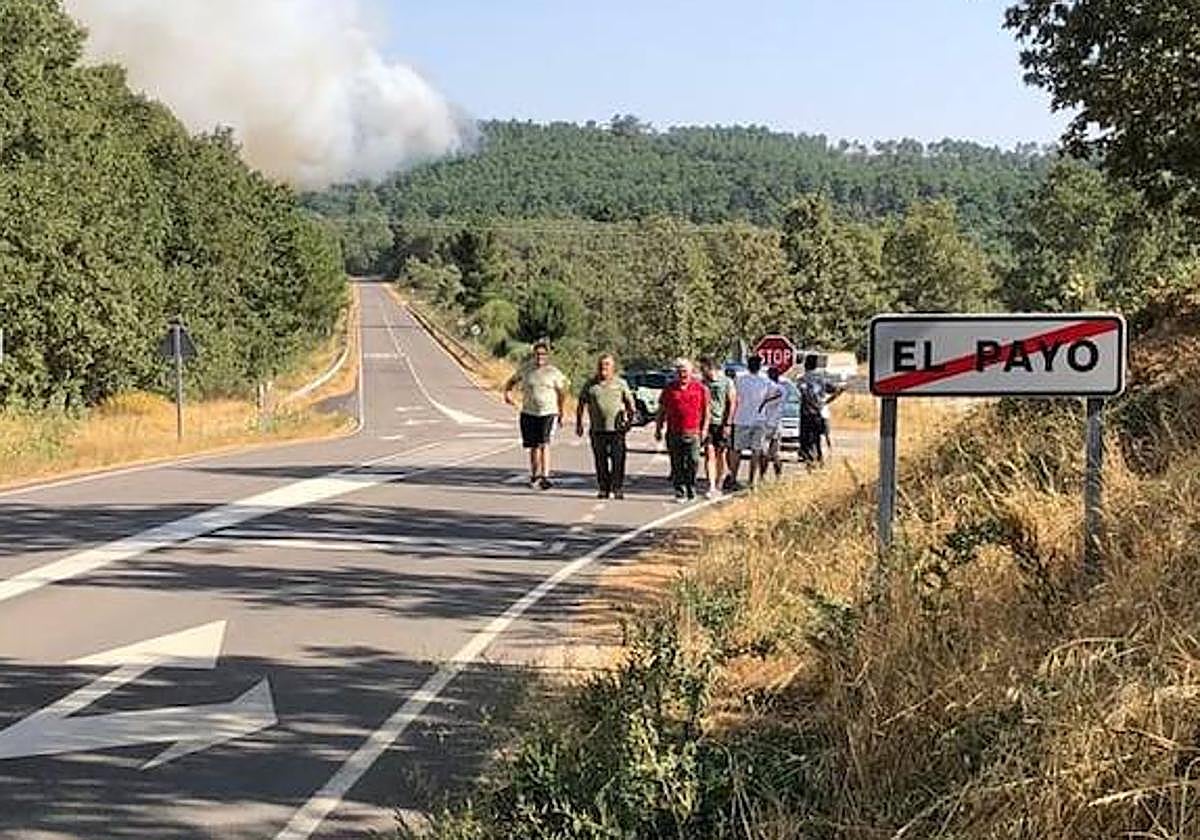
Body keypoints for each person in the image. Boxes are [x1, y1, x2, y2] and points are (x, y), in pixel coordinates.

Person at [504, 340, 568, 489]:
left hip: (548, 412)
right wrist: (507, 393)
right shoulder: (527, 369)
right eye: (537, 354)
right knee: (533, 446)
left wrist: (561, 411)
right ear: (533, 354)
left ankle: (545, 476)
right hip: (529, 411)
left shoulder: (553, 372)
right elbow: (512, 381)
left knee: (544, 443)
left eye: (543, 354)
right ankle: (534, 475)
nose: (540, 357)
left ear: (547, 356)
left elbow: (562, 392)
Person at [576, 353, 636, 499]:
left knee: (618, 460)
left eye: (607, 364)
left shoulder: (620, 384)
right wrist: (579, 423)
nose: (604, 367)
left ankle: (617, 488)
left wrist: (629, 421)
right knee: (600, 460)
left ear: (613, 367)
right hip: (598, 429)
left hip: (616, 430)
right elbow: (581, 404)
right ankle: (603, 488)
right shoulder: (591, 385)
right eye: (601, 364)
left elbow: (630, 404)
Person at [655, 357, 709, 502]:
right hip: (674, 432)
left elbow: (706, 411)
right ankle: (680, 491)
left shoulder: (700, 388)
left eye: (685, 371)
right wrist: (658, 428)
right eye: (680, 372)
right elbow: (661, 410)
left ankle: (691, 487)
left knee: (693, 461)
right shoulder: (669, 389)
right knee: (677, 463)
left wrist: (704, 429)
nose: (682, 374)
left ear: (691, 372)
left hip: (693, 432)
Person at [727, 354, 777, 490]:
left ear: (748, 366)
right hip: (758, 419)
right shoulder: (765, 381)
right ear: (760, 366)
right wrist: (765, 402)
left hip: (741, 418)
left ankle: (733, 477)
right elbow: (778, 392)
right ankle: (751, 480)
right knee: (756, 450)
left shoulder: (740, 379)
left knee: (737, 450)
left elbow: (733, 392)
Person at [699, 356, 736, 500]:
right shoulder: (703, 383)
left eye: (703, 368)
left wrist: (728, 423)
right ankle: (711, 486)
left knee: (720, 454)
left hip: (721, 423)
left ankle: (719, 484)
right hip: (707, 423)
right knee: (709, 453)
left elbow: (732, 403)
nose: (702, 371)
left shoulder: (727, 382)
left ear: (710, 368)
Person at [797, 353, 830, 468]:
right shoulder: (822, 379)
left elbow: (803, 393)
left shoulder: (802, 379)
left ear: (805, 365)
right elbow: (837, 389)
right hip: (819, 413)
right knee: (817, 439)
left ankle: (810, 462)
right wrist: (824, 403)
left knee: (806, 441)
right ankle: (820, 461)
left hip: (806, 414)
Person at [761, 367, 788, 479]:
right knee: (775, 452)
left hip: (766, 423)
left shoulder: (767, 388)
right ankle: (778, 476)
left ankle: (762, 476)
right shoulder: (783, 389)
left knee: (764, 452)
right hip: (777, 423)